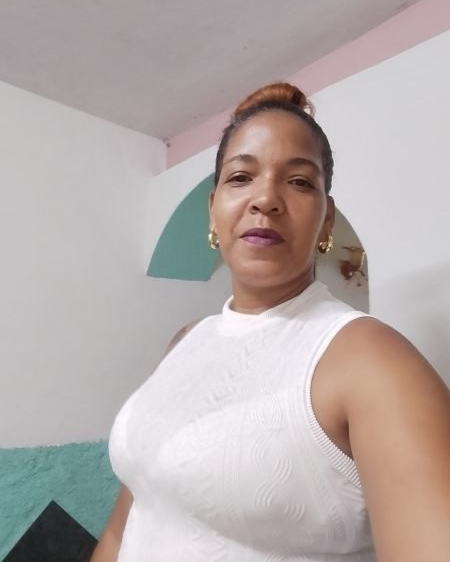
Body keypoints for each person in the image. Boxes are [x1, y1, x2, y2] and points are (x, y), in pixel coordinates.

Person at [91, 83, 450, 561]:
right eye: (241, 177)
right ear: (212, 211)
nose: (265, 199)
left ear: (326, 221)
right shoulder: (186, 340)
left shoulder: (371, 360)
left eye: (299, 182)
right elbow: (126, 526)